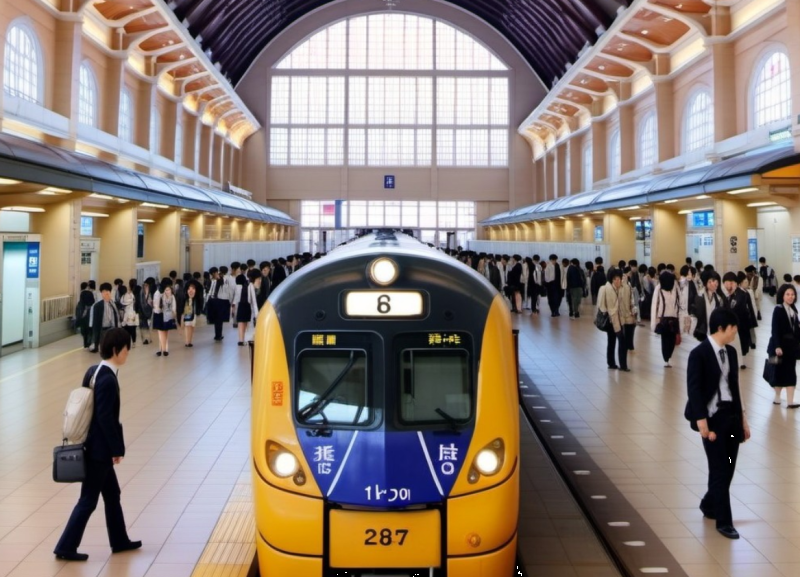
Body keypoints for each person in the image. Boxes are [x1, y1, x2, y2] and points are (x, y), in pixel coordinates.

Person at [54, 328, 141, 561]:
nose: (128, 353)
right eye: (126, 349)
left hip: (92, 445)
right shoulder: (108, 380)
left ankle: (119, 540)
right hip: (99, 452)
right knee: (88, 501)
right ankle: (65, 547)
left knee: (112, 494)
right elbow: (104, 417)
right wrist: (116, 449)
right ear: (116, 350)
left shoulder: (94, 371)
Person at [684, 308, 750, 540]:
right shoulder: (699, 354)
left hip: (731, 417)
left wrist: (743, 419)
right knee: (719, 470)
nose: (735, 333)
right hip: (711, 420)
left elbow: (736, 387)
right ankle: (724, 521)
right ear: (721, 328)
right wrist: (701, 421)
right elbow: (694, 390)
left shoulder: (731, 352)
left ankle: (709, 503)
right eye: (733, 329)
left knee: (728, 470)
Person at [767, 284, 800, 408]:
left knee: (791, 372)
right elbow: (774, 330)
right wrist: (777, 346)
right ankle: (777, 397)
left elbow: (796, 331)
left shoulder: (794, 311)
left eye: (793, 294)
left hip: (791, 348)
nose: (791, 297)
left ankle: (790, 401)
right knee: (778, 372)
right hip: (779, 347)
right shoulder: (778, 309)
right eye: (788, 294)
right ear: (782, 295)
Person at [596, 269, 632, 371]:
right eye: (615, 279)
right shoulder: (605, 289)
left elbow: (626, 302)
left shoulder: (623, 288)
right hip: (611, 320)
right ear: (611, 279)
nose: (617, 281)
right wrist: (610, 311)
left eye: (619, 279)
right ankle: (613, 363)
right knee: (613, 341)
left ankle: (621, 365)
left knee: (620, 341)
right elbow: (601, 305)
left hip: (620, 320)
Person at [652, 271, 681, 367]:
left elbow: (680, 302)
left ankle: (668, 356)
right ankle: (666, 358)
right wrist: (655, 320)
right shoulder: (659, 289)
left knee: (672, 340)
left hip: (674, 317)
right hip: (664, 318)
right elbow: (655, 305)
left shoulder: (676, 288)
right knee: (665, 339)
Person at [88, 283, 120, 353]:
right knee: (103, 348)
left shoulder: (113, 304)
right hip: (103, 329)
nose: (105, 294)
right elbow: (95, 321)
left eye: (107, 292)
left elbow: (116, 316)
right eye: (103, 292)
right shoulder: (97, 305)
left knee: (111, 347)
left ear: (110, 292)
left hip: (112, 328)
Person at [152, 279, 177, 357]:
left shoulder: (165, 293)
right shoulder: (158, 293)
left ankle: (163, 349)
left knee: (164, 332)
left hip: (165, 314)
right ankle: (163, 350)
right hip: (159, 314)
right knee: (161, 333)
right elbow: (156, 306)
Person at [179, 281, 203, 347]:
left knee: (192, 327)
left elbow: (198, 307)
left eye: (193, 289)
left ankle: (190, 341)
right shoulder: (185, 298)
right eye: (189, 289)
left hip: (193, 314)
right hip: (186, 314)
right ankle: (187, 342)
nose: (191, 290)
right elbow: (181, 307)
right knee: (187, 326)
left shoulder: (196, 299)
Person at [75, 282, 95, 350]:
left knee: (84, 331)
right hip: (89, 317)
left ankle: (86, 344)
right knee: (90, 330)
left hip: (83, 318)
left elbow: (78, 314)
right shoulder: (92, 306)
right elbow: (93, 301)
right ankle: (89, 343)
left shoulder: (80, 304)